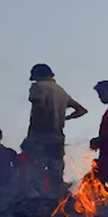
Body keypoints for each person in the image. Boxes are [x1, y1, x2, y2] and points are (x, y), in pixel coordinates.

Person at [25, 63, 88, 197]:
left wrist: (41, 123)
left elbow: (40, 103)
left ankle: (38, 199)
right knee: (56, 170)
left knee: (35, 168)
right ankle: (57, 199)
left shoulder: (38, 86)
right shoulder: (60, 91)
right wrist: (64, 118)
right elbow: (82, 110)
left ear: (37, 75)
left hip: (39, 135)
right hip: (57, 136)